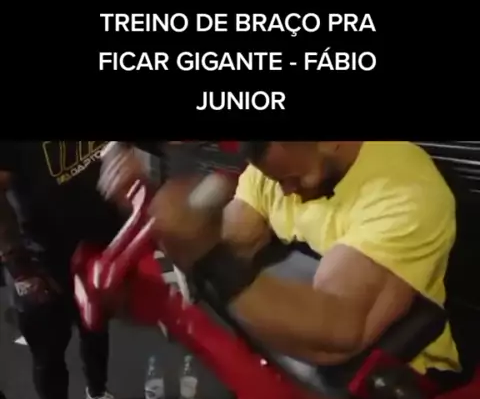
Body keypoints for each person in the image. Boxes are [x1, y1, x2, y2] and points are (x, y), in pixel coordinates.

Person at [100, 141, 461, 383]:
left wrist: (208, 257)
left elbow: (340, 332)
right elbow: (230, 240)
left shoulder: (406, 191)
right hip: (298, 361)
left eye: (293, 179)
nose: (285, 191)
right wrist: (166, 222)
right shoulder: (274, 168)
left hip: (400, 381)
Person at [0, 140, 131, 399]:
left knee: (95, 327)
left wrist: (122, 152)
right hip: (42, 261)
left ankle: (97, 391)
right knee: (49, 353)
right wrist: (20, 267)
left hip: (96, 245)